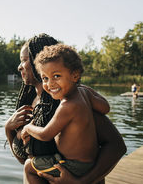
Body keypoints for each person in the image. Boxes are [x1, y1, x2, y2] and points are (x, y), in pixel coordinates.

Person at [4, 34, 126, 183]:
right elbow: (25, 160)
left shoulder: (72, 101)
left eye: (24, 60)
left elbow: (117, 146)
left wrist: (82, 182)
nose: (19, 66)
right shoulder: (29, 104)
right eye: (46, 78)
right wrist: (8, 129)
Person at [21, 44, 109, 183]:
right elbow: (105, 108)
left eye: (56, 76)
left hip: (75, 166)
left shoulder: (67, 105)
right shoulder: (84, 92)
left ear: (75, 75)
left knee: (28, 167)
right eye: (45, 78)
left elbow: (45, 134)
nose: (50, 84)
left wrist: (28, 128)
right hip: (90, 162)